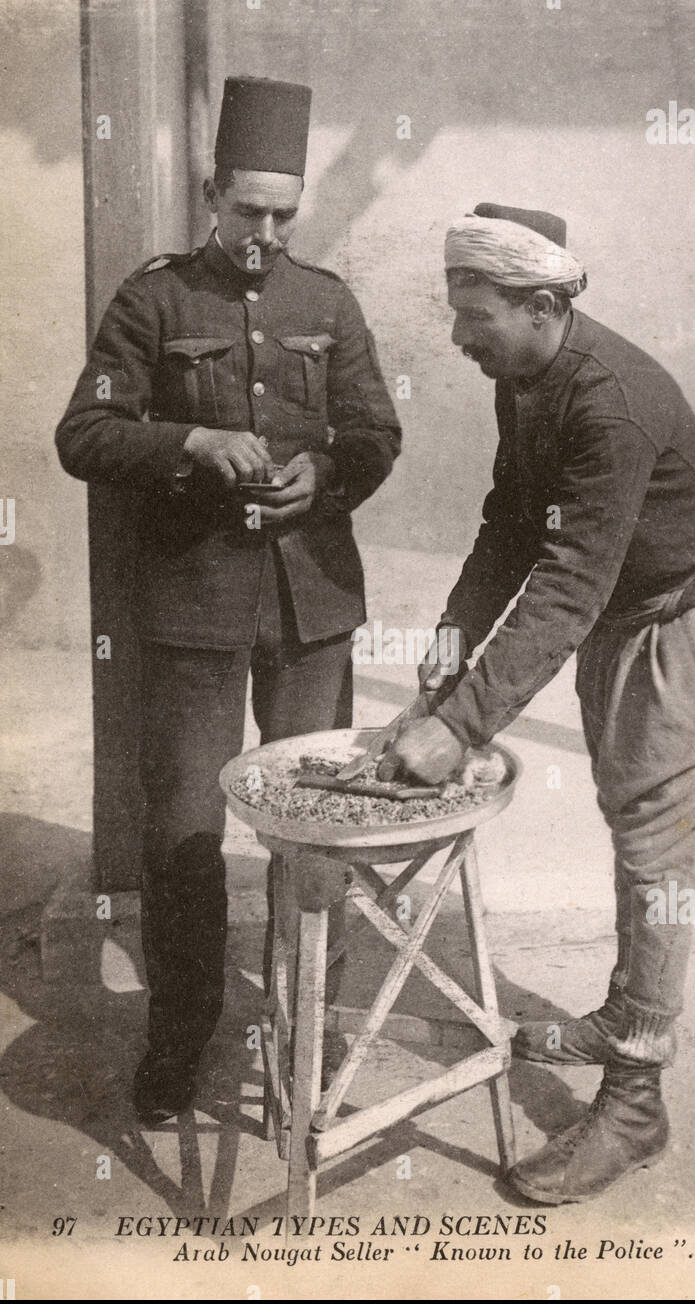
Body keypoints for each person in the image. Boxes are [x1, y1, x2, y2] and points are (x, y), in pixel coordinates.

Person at [379, 202, 695, 1205]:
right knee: (631, 823)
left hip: (683, 627)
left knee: (657, 853)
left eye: (476, 316)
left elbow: (566, 583)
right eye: (456, 311)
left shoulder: (613, 402)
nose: (457, 336)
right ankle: (626, 1010)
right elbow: (511, 525)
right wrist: (451, 653)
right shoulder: (527, 377)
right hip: (625, 617)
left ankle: (635, 1102)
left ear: (543, 303)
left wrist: (460, 724)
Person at [55, 77, 401, 1125]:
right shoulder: (153, 300)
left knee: (316, 828)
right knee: (186, 833)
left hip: (310, 610)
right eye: (246, 210)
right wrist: (191, 443)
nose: (263, 235)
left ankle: (310, 1031)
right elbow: (85, 436)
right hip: (195, 606)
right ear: (211, 195)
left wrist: (326, 477)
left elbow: (377, 434)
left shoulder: (328, 302)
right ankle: (179, 1039)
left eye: (282, 215)